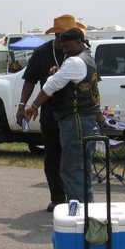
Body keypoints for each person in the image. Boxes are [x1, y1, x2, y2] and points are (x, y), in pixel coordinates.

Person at [16, 14, 86, 212]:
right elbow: (29, 81)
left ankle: (76, 200)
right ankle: (57, 197)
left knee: (72, 158)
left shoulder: (80, 55)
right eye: (59, 35)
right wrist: (22, 105)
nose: (63, 41)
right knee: (53, 157)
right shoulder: (41, 53)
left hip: (73, 113)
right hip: (50, 112)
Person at [25, 27, 102, 202]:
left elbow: (51, 86)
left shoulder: (74, 62)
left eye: (67, 47)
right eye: (62, 47)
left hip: (75, 119)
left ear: (79, 42)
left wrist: (34, 105)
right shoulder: (88, 58)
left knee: (71, 168)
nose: (64, 50)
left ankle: (77, 212)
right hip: (85, 119)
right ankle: (87, 210)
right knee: (83, 167)